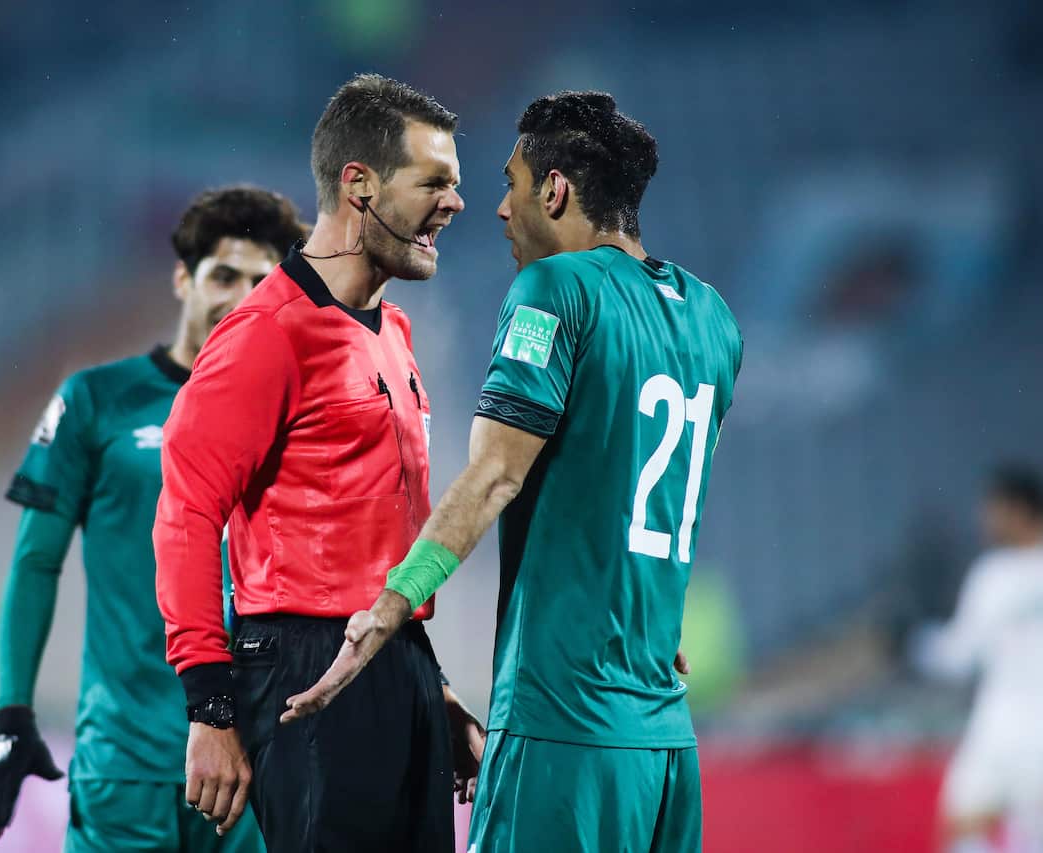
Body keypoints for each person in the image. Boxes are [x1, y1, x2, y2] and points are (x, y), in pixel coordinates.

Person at [284, 91, 744, 853]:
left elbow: (496, 476)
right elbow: (663, 494)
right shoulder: (712, 316)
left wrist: (394, 600)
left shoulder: (554, 289)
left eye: (511, 184)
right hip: (667, 745)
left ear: (555, 190)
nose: (497, 210)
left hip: (564, 725)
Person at [153, 73, 481, 853]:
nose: (456, 202)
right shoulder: (266, 334)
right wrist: (210, 707)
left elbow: (376, 536)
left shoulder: (392, 331)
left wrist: (423, 683)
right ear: (358, 185)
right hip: (303, 667)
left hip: (393, 656)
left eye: (458, 184)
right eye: (433, 181)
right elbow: (187, 513)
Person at [0, 186, 305, 852]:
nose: (239, 295)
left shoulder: (297, 410)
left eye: (259, 281)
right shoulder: (96, 399)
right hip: (125, 760)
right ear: (183, 278)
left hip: (254, 759)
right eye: (223, 275)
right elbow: (36, 560)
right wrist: (13, 710)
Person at [913, 466, 1043, 853]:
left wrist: (916, 644)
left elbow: (958, 655)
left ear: (1021, 510)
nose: (985, 519)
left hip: (1001, 729)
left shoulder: (994, 575)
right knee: (1031, 834)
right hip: (1036, 733)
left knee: (964, 827)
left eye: (994, 509)